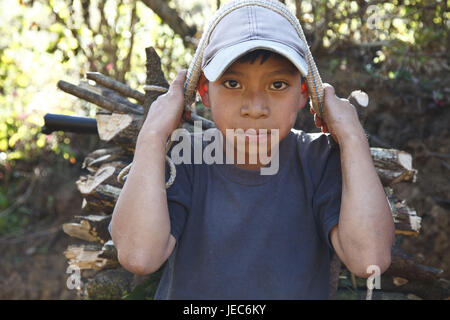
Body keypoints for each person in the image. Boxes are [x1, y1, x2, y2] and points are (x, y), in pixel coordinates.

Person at [109, 0, 395, 299]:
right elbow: (138, 256)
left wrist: (352, 137)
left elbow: (370, 258)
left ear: (303, 93)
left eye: (278, 84)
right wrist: (152, 134)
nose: (255, 108)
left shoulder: (318, 160)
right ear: (204, 91)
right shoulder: (185, 158)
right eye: (233, 83)